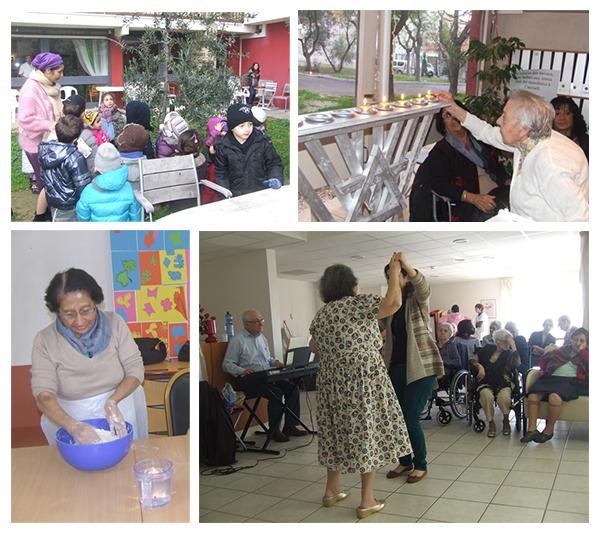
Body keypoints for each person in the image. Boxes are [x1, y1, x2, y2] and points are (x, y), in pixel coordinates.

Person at [309, 255, 412, 519]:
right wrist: (395, 271)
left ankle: (331, 491)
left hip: (331, 382)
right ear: (351, 286)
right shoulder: (356, 305)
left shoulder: (321, 315)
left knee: (335, 432)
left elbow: (313, 346)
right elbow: (394, 302)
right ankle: (367, 500)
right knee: (368, 432)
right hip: (362, 378)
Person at [31, 268, 148, 444]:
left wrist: (113, 401)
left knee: (124, 461)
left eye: (86, 310)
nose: (79, 321)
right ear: (56, 311)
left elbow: (135, 368)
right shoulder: (45, 340)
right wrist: (73, 426)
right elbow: (43, 395)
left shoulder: (114, 323)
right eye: (69, 314)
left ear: (96, 303)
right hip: (68, 417)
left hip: (119, 404)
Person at [437, 90, 588, 221]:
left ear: (524, 127)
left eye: (504, 117)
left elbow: (580, 218)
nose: (498, 121)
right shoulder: (529, 138)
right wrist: (453, 108)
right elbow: (486, 132)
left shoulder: (551, 164)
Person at [381, 254, 444, 484]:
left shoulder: (417, 300)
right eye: (388, 277)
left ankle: (421, 464)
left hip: (421, 368)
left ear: (405, 278)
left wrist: (404, 265)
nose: (392, 280)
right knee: (396, 418)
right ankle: (405, 460)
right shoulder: (389, 305)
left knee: (409, 418)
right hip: (396, 368)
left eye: (396, 276)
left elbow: (424, 287)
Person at [409, 102, 509, 221]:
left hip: (499, 193)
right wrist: (474, 198)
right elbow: (439, 184)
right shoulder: (441, 151)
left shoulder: (481, 141)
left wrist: (512, 183)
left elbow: (497, 167)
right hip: (471, 205)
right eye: (447, 116)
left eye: (456, 113)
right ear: (443, 125)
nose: (454, 118)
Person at [222, 309, 307, 443]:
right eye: (257, 322)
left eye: (261, 321)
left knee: (292, 389)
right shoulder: (238, 340)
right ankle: (274, 431)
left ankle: (290, 426)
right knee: (276, 394)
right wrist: (242, 370)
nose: (261, 324)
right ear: (246, 324)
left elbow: (267, 359)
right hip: (248, 381)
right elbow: (227, 364)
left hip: (266, 377)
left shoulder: (262, 338)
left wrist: (275, 362)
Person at [17, 52, 64, 219]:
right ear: (47, 71)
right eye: (59, 71)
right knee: (45, 182)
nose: (61, 74)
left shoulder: (48, 85)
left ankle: (45, 213)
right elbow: (25, 119)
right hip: (35, 145)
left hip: (47, 141)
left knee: (47, 181)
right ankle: (40, 217)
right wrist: (49, 124)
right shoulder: (31, 89)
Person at [521, 328, 588, 443]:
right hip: (550, 378)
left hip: (570, 382)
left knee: (554, 398)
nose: (578, 343)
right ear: (571, 340)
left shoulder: (587, 354)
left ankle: (548, 431)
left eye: (582, 341)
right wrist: (542, 369)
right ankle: (532, 430)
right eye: (575, 340)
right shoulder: (562, 350)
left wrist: (583, 352)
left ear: (587, 343)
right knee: (532, 395)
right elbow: (544, 359)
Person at [214, 103, 284, 197]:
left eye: (250, 124)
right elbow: (221, 173)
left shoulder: (262, 142)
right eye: (241, 126)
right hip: (236, 197)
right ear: (232, 128)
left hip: (261, 193)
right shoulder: (223, 147)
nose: (247, 129)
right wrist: (225, 194)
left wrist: (275, 178)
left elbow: (274, 163)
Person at [470, 329, 521, 437]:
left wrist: (513, 344)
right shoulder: (487, 349)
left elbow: (517, 364)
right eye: (506, 341)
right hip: (486, 381)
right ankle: (491, 422)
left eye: (509, 342)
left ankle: (506, 420)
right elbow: (472, 360)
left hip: (504, 381)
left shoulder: (510, 354)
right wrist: (480, 366)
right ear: (498, 341)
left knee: (504, 398)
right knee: (486, 396)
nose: (508, 344)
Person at [38, 114, 91, 215]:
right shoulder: (76, 158)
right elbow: (83, 186)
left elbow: (43, 176)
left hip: (54, 202)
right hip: (71, 205)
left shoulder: (45, 151)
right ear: (76, 139)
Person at [76, 142, 141, 222]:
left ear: (97, 167)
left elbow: (83, 219)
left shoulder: (88, 191)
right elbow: (135, 216)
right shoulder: (128, 188)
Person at [62, 94, 97, 174]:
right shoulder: (86, 135)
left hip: (61, 180)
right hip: (82, 179)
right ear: (83, 113)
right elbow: (92, 165)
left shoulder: (57, 130)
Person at [550, 96, 588, 160]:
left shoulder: (585, 142)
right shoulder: (544, 139)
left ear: (575, 116)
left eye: (567, 113)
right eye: (557, 114)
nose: (562, 118)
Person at [437, 322, 462, 388]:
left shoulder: (451, 345)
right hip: (434, 369)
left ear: (449, 334)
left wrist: (443, 361)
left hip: (447, 371)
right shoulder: (434, 345)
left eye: (445, 331)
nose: (442, 332)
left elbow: (457, 362)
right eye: (440, 330)